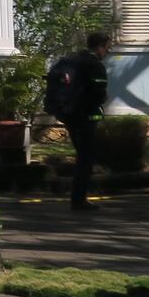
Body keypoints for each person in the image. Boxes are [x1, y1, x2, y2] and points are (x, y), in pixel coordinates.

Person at [45, 32, 112, 211]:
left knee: (82, 154)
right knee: (86, 158)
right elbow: (99, 94)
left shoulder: (71, 60)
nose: (107, 52)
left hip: (69, 115)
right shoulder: (94, 65)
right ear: (100, 46)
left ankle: (79, 197)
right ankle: (79, 199)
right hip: (86, 116)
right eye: (107, 48)